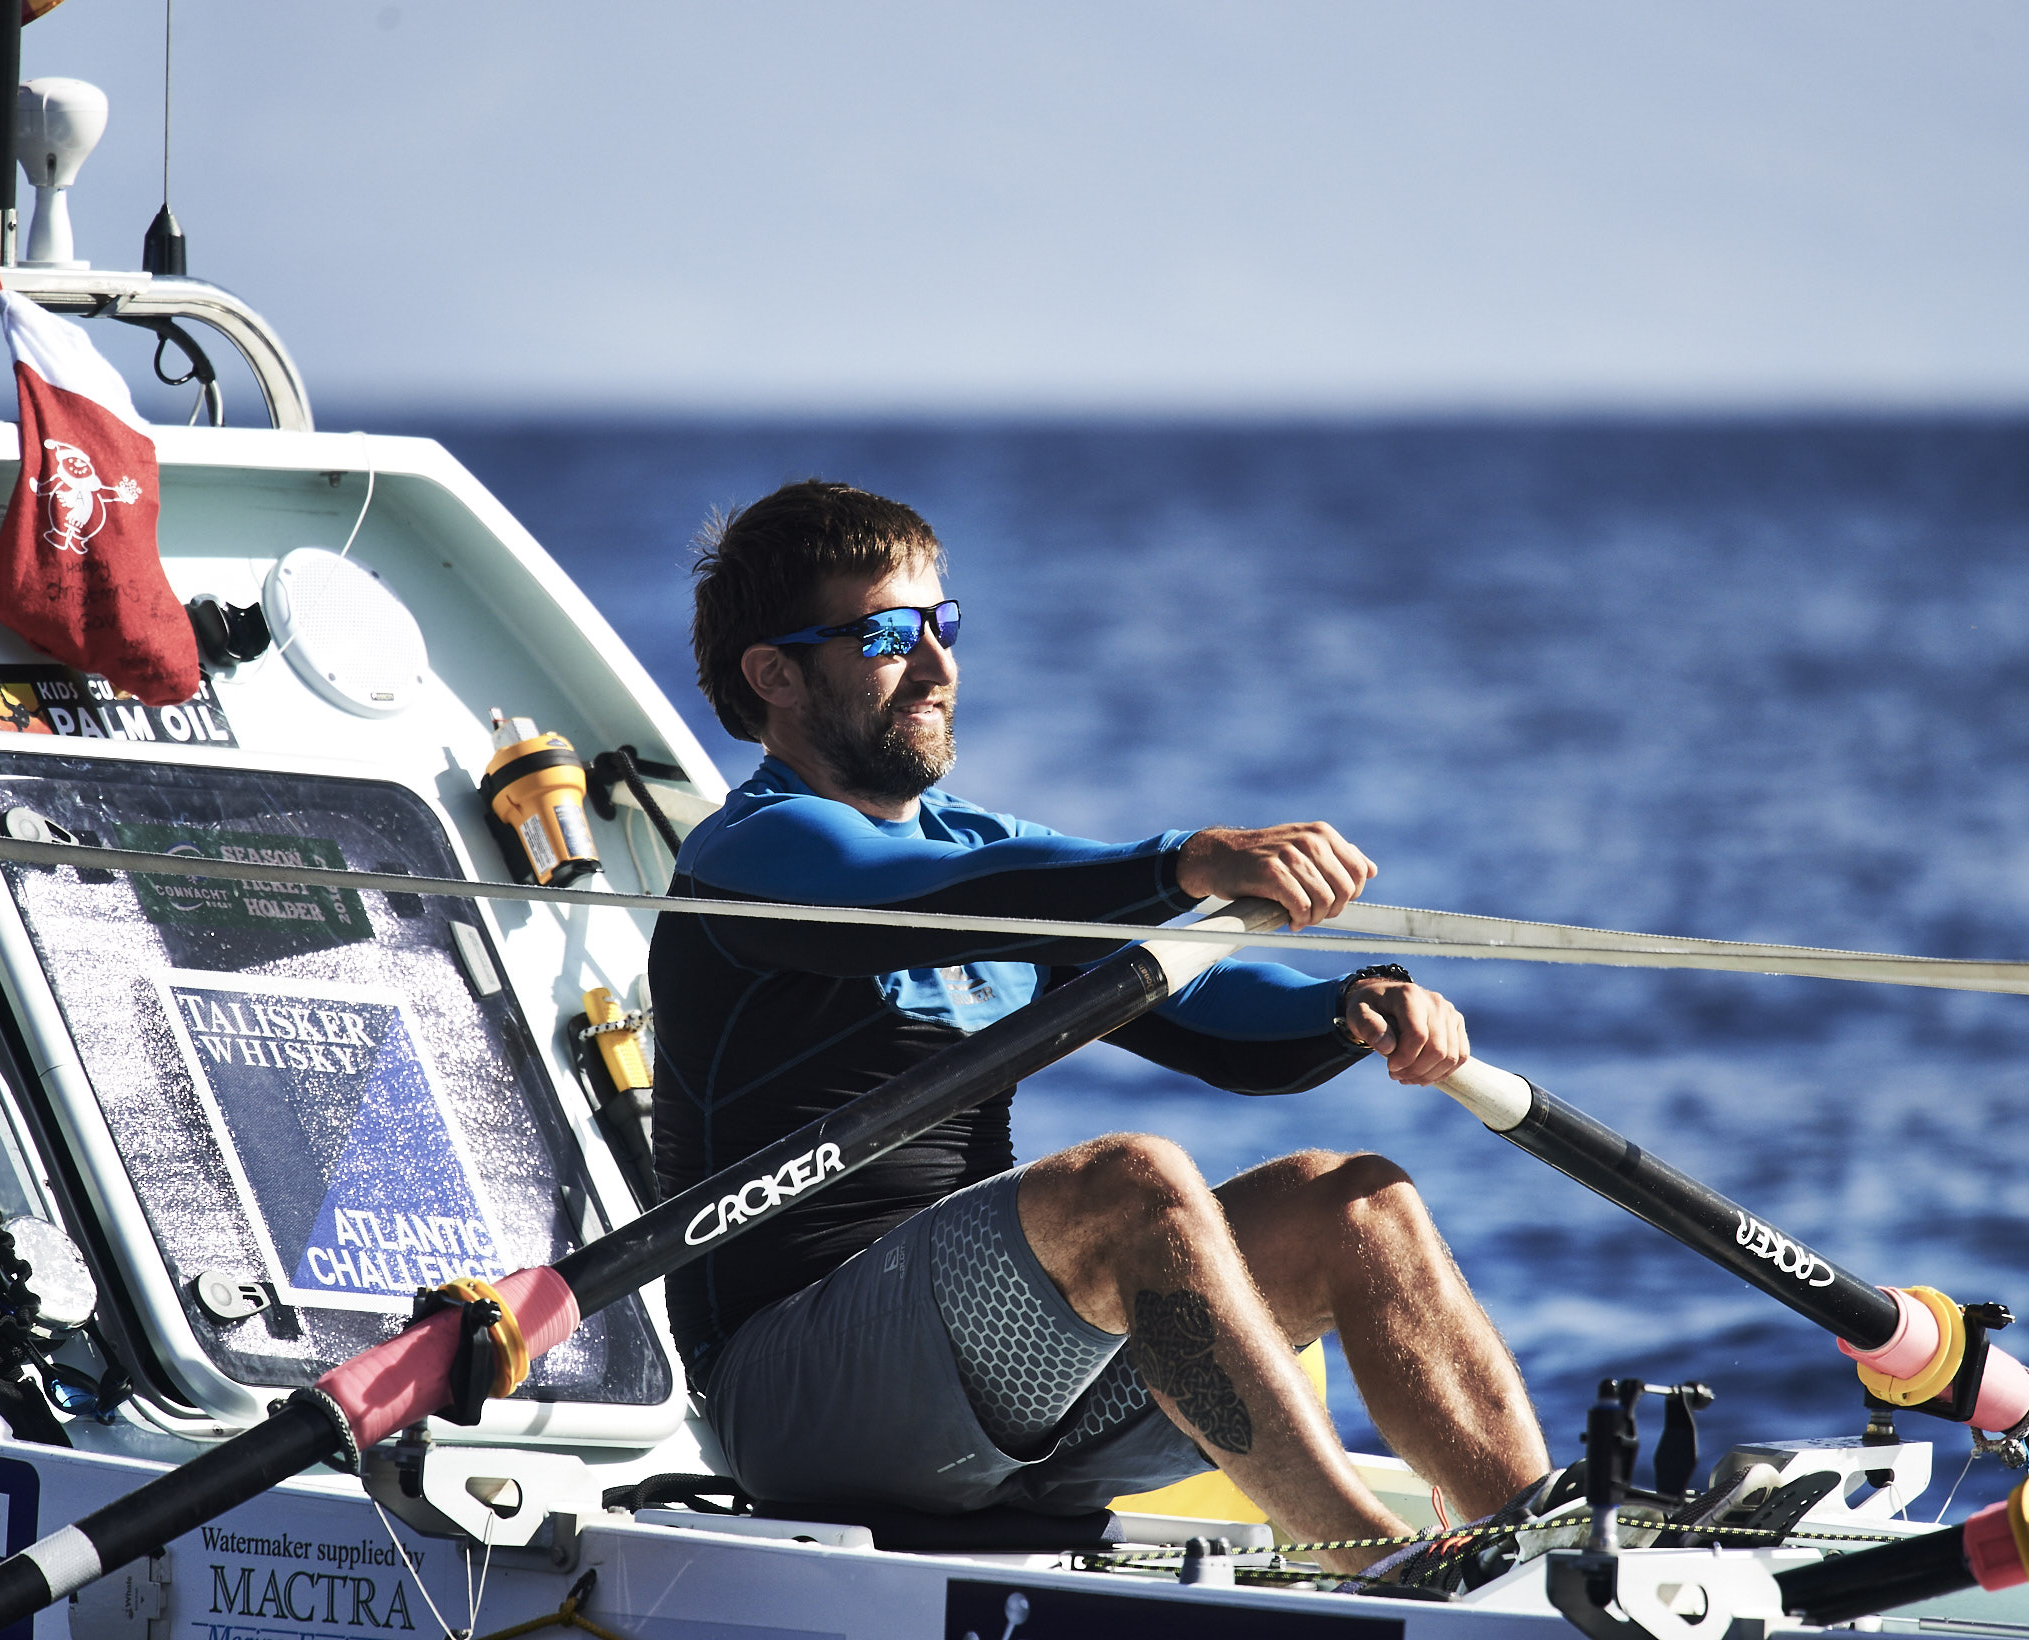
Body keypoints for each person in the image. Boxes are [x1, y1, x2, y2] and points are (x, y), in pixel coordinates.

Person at [649, 480, 1548, 1578]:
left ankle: (1534, 1550)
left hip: (1019, 1389)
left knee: (1357, 1200)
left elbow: (1215, 1020)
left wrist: (1355, 1005)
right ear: (774, 674)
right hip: (798, 1402)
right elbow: (922, 897)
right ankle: (1361, 1558)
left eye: (945, 624)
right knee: (1131, 1178)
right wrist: (1186, 861)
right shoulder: (752, 855)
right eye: (888, 634)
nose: (937, 667)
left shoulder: (983, 852)